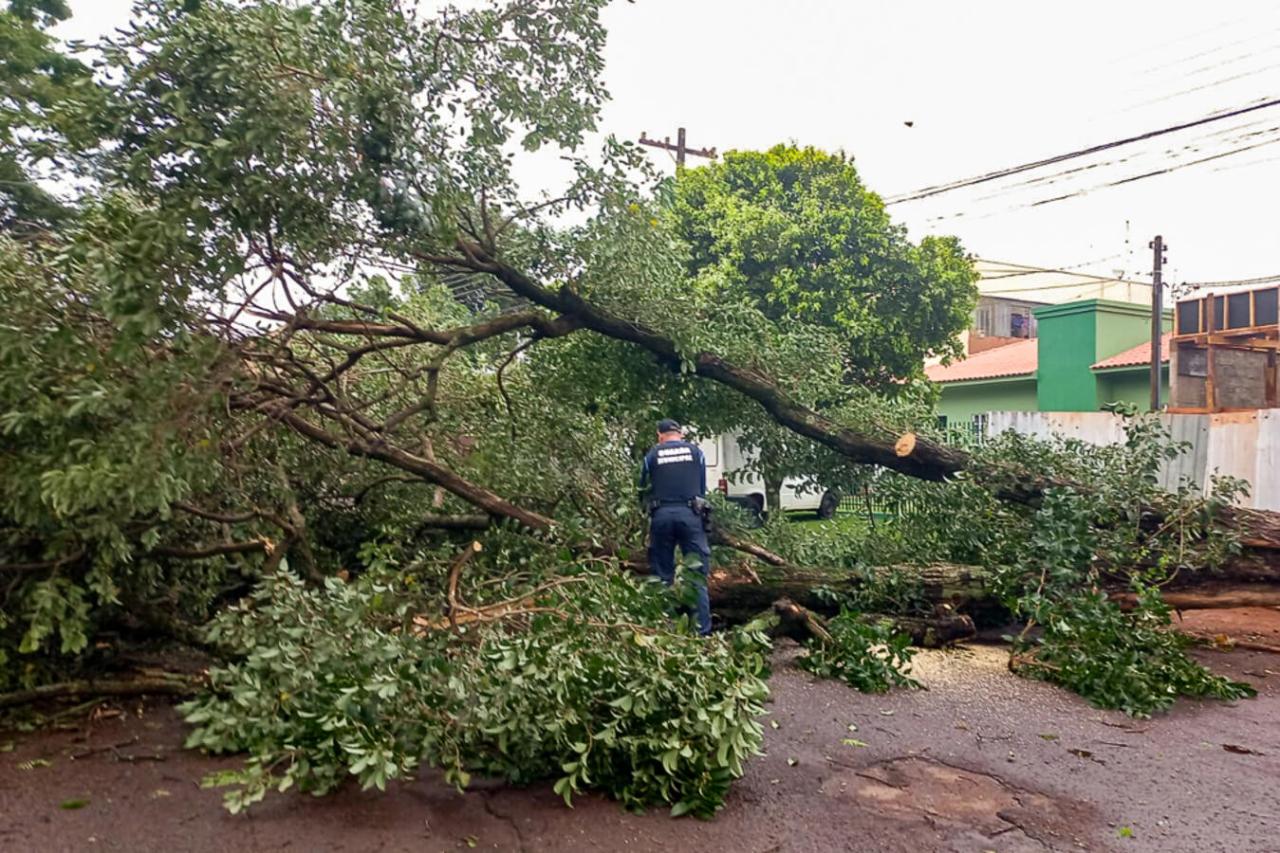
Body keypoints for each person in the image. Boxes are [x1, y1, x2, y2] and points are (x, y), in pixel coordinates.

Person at [638, 418, 712, 635]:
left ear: (659, 435)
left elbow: (642, 487)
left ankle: (665, 630)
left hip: (661, 515)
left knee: (662, 575)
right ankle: (702, 633)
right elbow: (701, 488)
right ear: (680, 434)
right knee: (697, 576)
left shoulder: (652, 455)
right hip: (690, 513)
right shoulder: (696, 452)